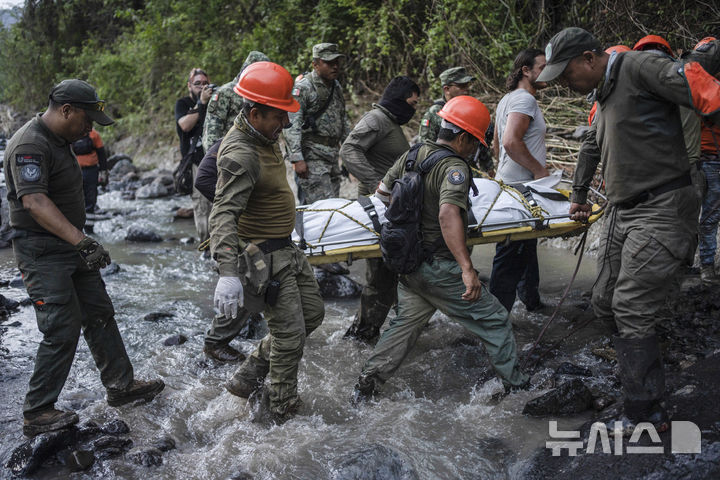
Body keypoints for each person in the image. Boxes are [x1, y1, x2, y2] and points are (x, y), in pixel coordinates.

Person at [538, 27, 720, 434]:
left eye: (566, 74)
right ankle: (637, 361)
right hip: (624, 210)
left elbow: (702, 85)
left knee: (631, 304)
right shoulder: (602, 93)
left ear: (588, 57)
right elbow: (591, 147)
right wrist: (581, 193)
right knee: (603, 299)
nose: (564, 85)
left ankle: (645, 411)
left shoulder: (640, 66)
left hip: (662, 206)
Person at [3, 79, 164, 437]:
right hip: (43, 250)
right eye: (86, 118)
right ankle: (38, 410)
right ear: (65, 110)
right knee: (61, 325)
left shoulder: (60, 140)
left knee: (98, 313)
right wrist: (83, 241)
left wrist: (80, 242)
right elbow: (34, 201)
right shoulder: (30, 143)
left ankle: (121, 386)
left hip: (71, 245)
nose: (90, 127)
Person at [352, 96, 529, 402]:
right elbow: (448, 214)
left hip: (409, 263)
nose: (475, 150)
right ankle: (518, 389)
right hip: (439, 266)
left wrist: (413, 220)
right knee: (496, 318)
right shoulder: (454, 168)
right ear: (462, 138)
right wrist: (467, 269)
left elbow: (382, 192)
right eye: (474, 143)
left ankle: (367, 384)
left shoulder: (414, 153)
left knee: (404, 326)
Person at [209, 62, 325, 424]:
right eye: (280, 117)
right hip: (264, 259)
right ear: (254, 113)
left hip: (286, 248)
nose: (286, 124)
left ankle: (246, 379)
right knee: (290, 336)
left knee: (312, 316)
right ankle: (281, 411)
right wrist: (228, 273)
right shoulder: (241, 153)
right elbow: (222, 214)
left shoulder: (264, 134)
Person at [340, 76, 420, 344]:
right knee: (381, 277)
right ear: (399, 98)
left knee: (393, 272)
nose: (414, 108)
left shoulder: (390, 122)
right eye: (412, 102)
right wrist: (377, 183)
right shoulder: (377, 119)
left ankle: (398, 325)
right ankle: (361, 336)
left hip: (392, 208)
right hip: (378, 210)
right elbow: (349, 149)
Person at [488, 48, 550, 313]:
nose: (549, 72)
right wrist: (539, 171)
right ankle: (493, 318)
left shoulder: (507, 99)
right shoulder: (525, 100)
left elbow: (495, 147)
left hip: (509, 184)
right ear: (526, 70)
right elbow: (510, 141)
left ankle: (531, 301)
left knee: (525, 244)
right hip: (521, 188)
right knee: (510, 252)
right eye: (543, 66)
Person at [285, 43, 351, 204]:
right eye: (329, 63)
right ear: (315, 64)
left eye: (337, 62)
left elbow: (342, 118)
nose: (335, 66)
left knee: (329, 207)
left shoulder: (336, 86)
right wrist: (296, 159)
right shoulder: (304, 88)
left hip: (332, 156)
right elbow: (291, 124)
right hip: (312, 157)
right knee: (324, 209)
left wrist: (350, 150)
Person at [202, 51, 270, 152]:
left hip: (248, 153)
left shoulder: (256, 95)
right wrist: (214, 158)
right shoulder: (225, 92)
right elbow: (212, 132)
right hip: (226, 154)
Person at [175, 68, 214, 244]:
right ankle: (205, 245)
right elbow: (184, 125)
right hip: (195, 163)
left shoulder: (215, 101)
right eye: (197, 84)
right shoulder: (183, 104)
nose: (202, 87)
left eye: (205, 83)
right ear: (189, 85)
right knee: (201, 205)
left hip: (215, 160)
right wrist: (201, 104)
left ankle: (221, 244)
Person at [696, 37, 720, 283]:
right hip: (707, 161)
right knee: (709, 217)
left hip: (701, 161)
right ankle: (705, 266)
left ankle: (703, 266)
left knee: (701, 216)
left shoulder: (691, 85)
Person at [417, 67, 473, 143]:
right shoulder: (435, 112)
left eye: (467, 85)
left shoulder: (471, 109)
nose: (467, 89)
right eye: (462, 86)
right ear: (447, 89)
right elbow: (424, 145)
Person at [70, 127, 108, 233]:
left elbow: (101, 154)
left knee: (90, 200)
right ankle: (78, 229)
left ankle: (89, 230)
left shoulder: (94, 135)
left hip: (91, 171)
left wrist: (103, 172)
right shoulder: (71, 134)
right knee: (76, 199)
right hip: (75, 171)